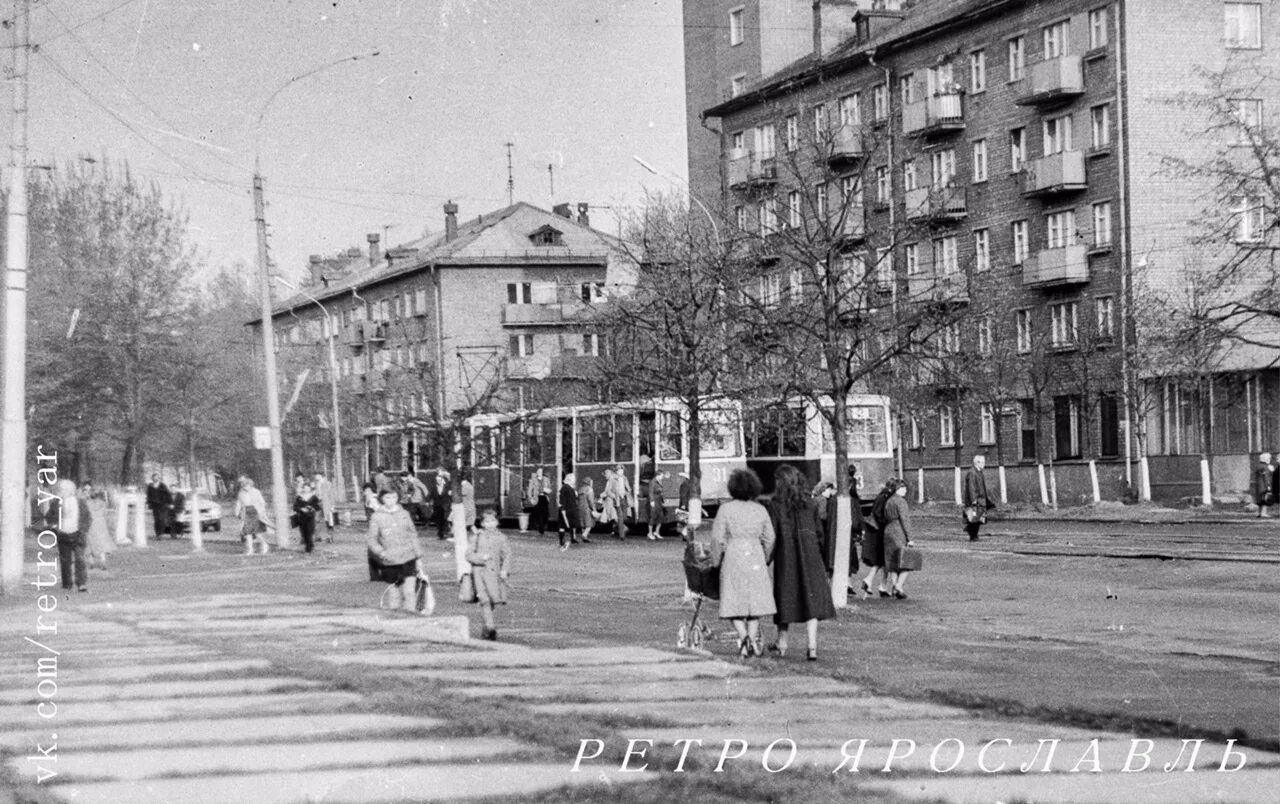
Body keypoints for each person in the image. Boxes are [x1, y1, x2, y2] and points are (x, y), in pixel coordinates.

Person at [767, 464, 837, 661]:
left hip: (786, 556)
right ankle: (812, 646)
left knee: (785, 597)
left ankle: (782, 643)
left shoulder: (775, 504)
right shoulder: (811, 503)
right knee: (811, 599)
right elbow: (820, 533)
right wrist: (822, 557)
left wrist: (767, 559)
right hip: (811, 554)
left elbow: (772, 535)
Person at [710, 468, 776, 659]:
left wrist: (716, 562)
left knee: (733, 601)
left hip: (733, 556)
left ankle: (743, 636)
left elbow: (717, 539)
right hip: (755, 555)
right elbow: (770, 538)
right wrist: (764, 558)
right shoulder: (761, 510)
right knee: (755, 603)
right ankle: (753, 639)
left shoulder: (725, 509)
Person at [366, 488, 424, 612]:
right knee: (394, 595)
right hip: (390, 560)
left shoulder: (404, 514)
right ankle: (396, 621)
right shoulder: (377, 517)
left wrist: (418, 557)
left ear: (397, 498)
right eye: (387, 497)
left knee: (409, 592)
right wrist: (381, 552)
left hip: (408, 557)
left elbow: (413, 535)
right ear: (381, 499)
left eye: (393, 497)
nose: (391, 501)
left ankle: (412, 618)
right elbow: (371, 539)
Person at [465, 509, 512, 640]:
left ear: (497, 522)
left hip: (495, 575)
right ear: (482, 523)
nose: (490, 524)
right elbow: (468, 555)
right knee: (484, 600)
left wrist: (504, 570)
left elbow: (507, 555)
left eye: (493, 521)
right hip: (479, 574)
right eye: (487, 521)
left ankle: (486, 627)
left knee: (491, 601)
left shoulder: (502, 538)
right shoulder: (477, 537)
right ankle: (491, 628)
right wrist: (481, 557)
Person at [44, 479, 89, 593]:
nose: (61, 491)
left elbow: (87, 518)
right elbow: (49, 516)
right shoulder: (56, 503)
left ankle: (81, 584)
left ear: (70, 490)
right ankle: (67, 585)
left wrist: (82, 530)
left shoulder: (80, 502)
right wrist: (54, 526)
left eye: (63, 489)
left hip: (78, 535)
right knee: (65, 561)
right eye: (60, 489)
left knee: (80, 559)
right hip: (63, 535)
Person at [856, 480, 896, 598]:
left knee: (881, 560)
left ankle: (873, 582)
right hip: (880, 532)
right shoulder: (884, 497)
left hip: (878, 532)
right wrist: (886, 523)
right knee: (884, 559)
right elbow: (879, 514)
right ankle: (881, 585)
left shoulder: (881, 496)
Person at [882, 479, 917, 599]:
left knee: (891, 561)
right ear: (899, 489)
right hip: (899, 531)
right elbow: (905, 520)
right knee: (906, 561)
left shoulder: (889, 501)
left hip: (888, 530)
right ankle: (898, 586)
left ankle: (896, 586)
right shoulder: (901, 502)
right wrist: (910, 538)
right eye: (904, 488)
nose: (906, 490)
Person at [80, 482, 114, 571]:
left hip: (90, 523)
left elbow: (83, 514)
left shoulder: (86, 504)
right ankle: (103, 561)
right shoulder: (102, 503)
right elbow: (105, 513)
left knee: (89, 543)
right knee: (101, 542)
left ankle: (91, 562)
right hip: (101, 523)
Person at [234, 476, 271, 555]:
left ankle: (264, 544)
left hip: (255, 512)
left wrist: (262, 511)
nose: (245, 488)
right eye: (243, 486)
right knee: (247, 532)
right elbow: (239, 503)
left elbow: (262, 502)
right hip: (245, 512)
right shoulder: (241, 493)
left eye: (247, 486)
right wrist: (237, 512)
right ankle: (250, 549)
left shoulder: (256, 491)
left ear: (250, 485)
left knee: (257, 532)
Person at [962, 455, 994, 542]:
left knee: (978, 518)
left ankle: (972, 532)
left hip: (981, 499)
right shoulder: (972, 473)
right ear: (977, 463)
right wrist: (973, 500)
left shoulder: (979, 472)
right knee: (974, 518)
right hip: (976, 500)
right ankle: (973, 536)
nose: (984, 464)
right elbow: (971, 487)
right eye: (983, 462)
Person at [293, 482, 321, 553]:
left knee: (310, 531)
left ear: (310, 488)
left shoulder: (313, 497)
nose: (306, 489)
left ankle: (309, 547)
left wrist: (312, 508)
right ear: (303, 488)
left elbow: (318, 506)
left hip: (310, 516)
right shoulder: (299, 497)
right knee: (304, 532)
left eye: (308, 488)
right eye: (305, 488)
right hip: (302, 517)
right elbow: (295, 507)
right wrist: (301, 509)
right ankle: (309, 544)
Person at [145, 473, 174, 540]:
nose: (155, 479)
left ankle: (161, 534)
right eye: (154, 478)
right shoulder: (150, 486)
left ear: (159, 478)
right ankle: (157, 534)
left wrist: (171, 503)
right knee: (156, 520)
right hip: (155, 506)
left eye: (157, 477)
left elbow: (168, 494)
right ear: (152, 479)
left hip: (163, 505)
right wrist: (148, 504)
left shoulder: (162, 485)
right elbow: (148, 496)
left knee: (162, 519)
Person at [557, 472, 581, 550]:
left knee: (563, 526)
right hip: (567, 510)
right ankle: (563, 541)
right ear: (570, 480)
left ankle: (563, 540)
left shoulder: (567, 488)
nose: (574, 481)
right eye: (573, 479)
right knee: (564, 525)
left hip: (567, 510)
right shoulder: (566, 488)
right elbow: (563, 500)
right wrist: (563, 509)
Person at [313, 472, 337, 539]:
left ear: (322, 476)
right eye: (315, 476)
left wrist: (332, 505)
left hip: (326, 504)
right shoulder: (315, 484)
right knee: (316, 520)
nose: (316, 478)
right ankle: (317, 536)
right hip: (317, 504)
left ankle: (330, 536)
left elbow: (331, 495)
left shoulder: (328, 484)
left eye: (317, 476)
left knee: (329, 520)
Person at [431, 469, 452, 540]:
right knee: (438, 521)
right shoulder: (434, 487)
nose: (438, 481)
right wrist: (427, 501)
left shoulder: (447, 487)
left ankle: (445, 533)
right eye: (437, 480)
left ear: (442, 480)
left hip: (445, 506)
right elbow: (431, 495)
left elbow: (450, 495)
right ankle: (440, 535)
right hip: (437, 506)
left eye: (439, 480)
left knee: (445, 520)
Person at [646, 470, 667, 540]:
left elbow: (661, 492)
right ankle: (650, 533)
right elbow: (650, 492)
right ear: (658, 475)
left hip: (659, 501)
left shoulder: (659, 481)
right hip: (654, 501)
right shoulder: (652, 482)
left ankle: (656, 532)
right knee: (653, 517)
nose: (663, 477)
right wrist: (652, 501)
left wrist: (663, 500)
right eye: (662, 476)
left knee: (660, 516)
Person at [1254, 452, 1274, 518]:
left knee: (1260, 500)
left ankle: (1259, 513)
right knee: (1265, 500)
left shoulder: (1258, 466)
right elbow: (1266, 477)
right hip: (1263, 485)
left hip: (1258, 485)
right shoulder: (1265, 467)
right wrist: (1268, 486)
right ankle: (1263, 513)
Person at [676, 471, 692, 541]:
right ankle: (684, 535)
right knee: (685, 520)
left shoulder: (686, 484)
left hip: (686, 504)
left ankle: (684, 535)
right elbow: (685, 495)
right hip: (687, 504)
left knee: (684, 520)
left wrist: (683, 504)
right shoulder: (687, 484)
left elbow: (683, 495)